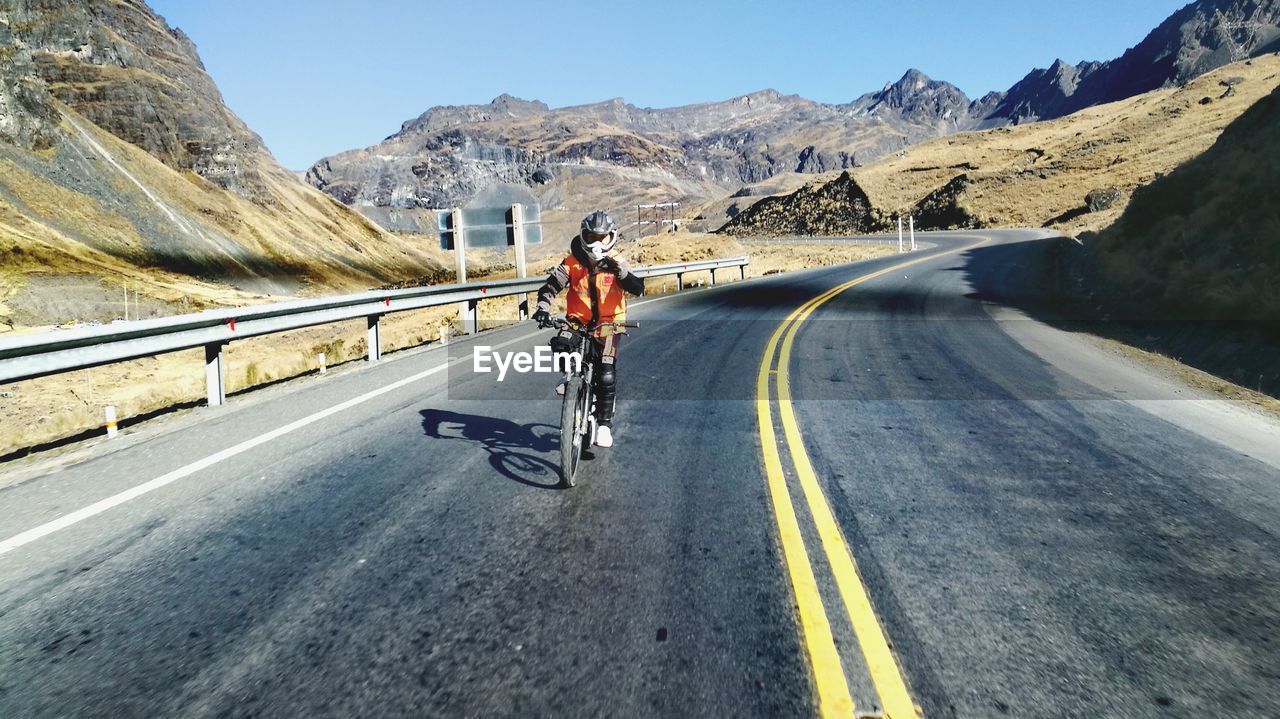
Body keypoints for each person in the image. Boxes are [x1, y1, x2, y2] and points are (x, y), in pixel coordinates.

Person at [532, 210, 644, 448]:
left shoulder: (617, 262)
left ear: (611, 237)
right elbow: (551, 286)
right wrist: (543, 307)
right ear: (583, 236)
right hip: (577, 320)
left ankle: (604, 425)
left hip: (610, 324)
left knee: (605, 373)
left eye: (602, 238)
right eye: (591, 237)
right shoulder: (572, 262)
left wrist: (622, 274)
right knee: (561, 344)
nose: (596, 243)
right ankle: (570, 377)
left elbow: (638, 287)